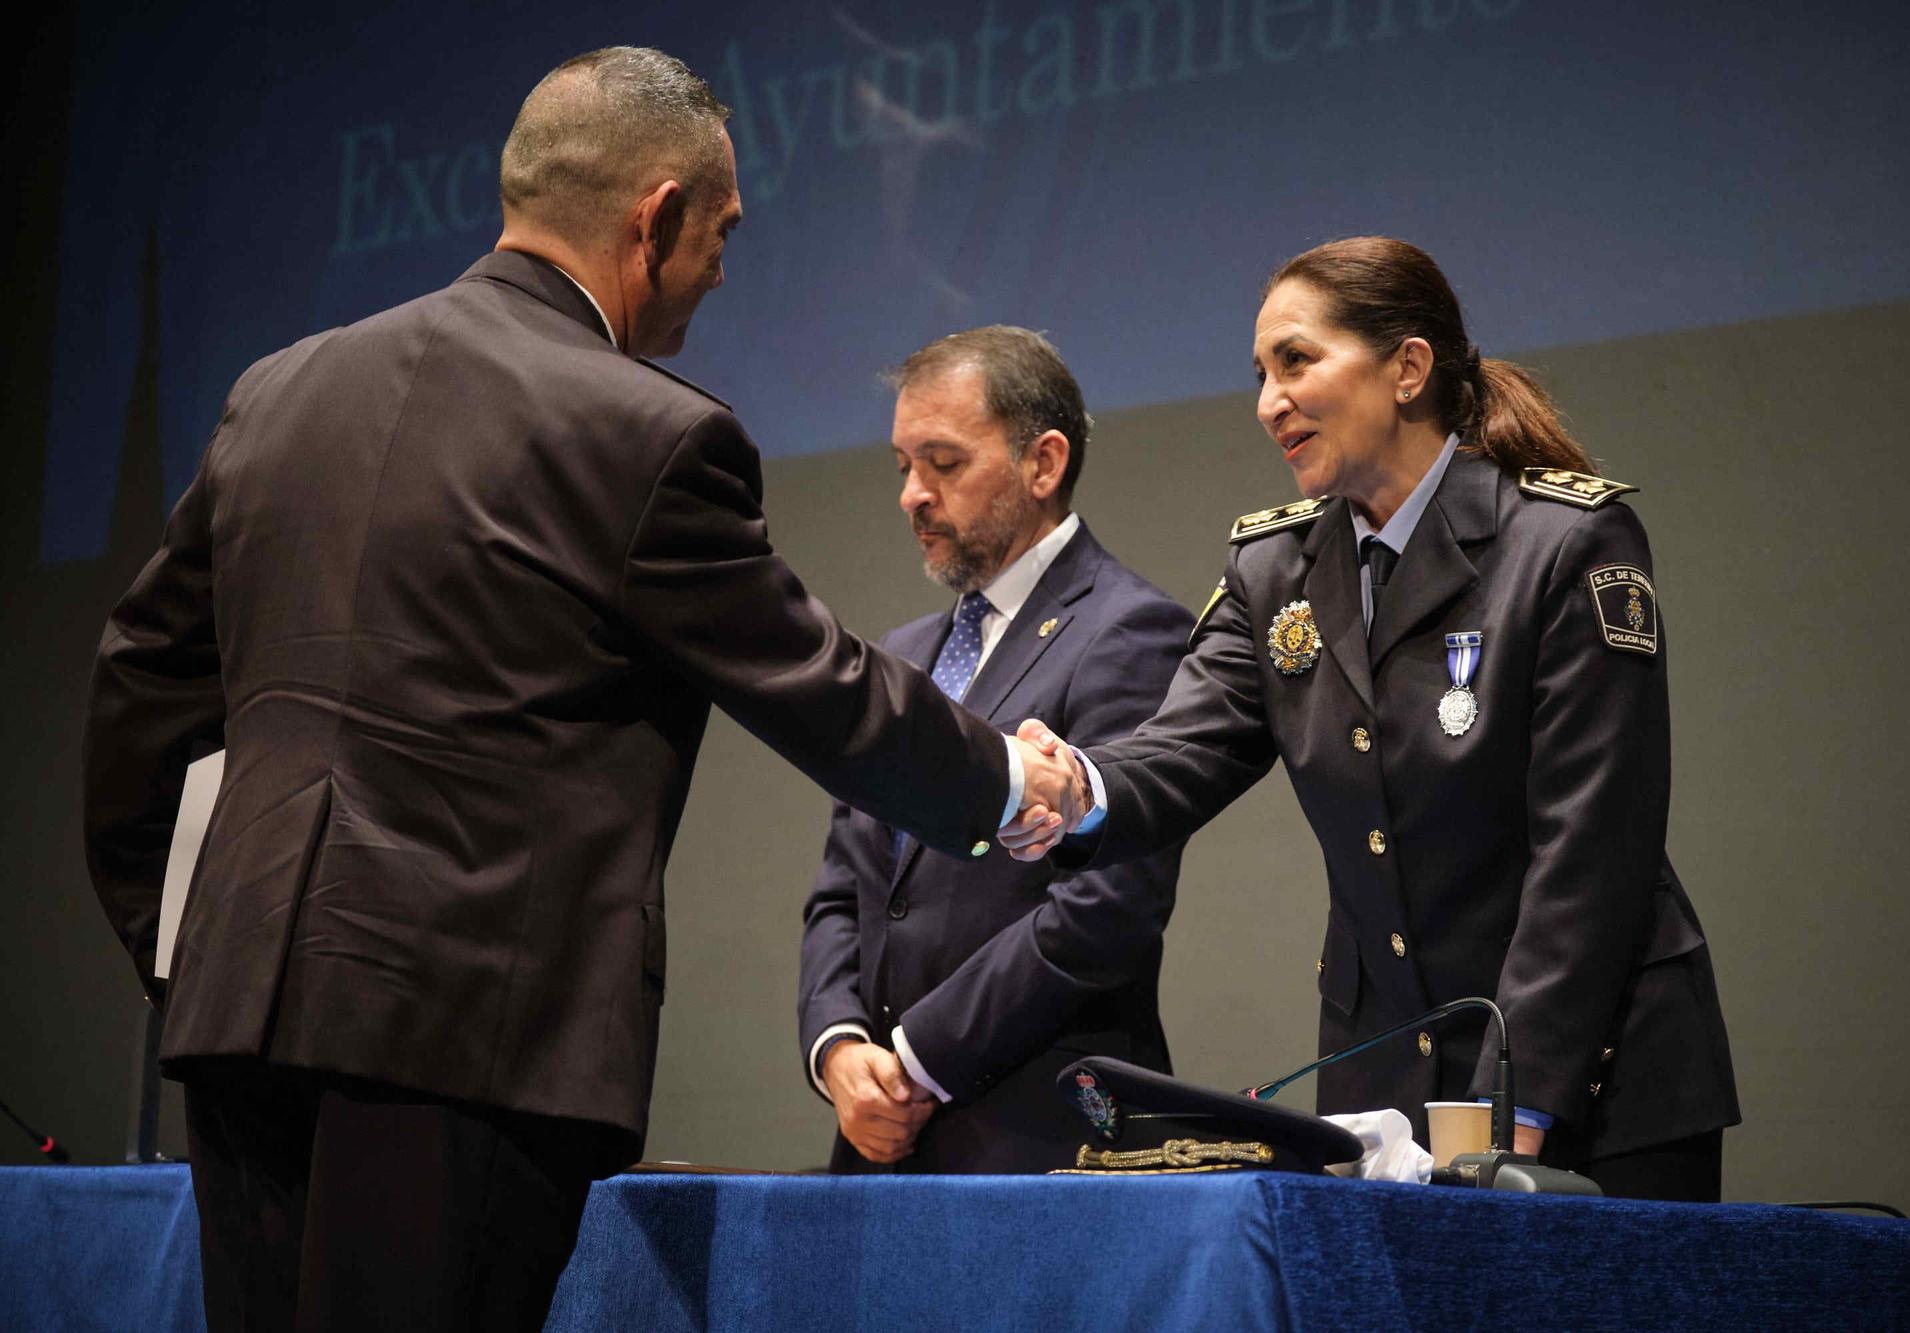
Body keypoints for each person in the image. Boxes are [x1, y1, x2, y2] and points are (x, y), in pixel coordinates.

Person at [81, 47, 1084, 1332]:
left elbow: (139, 695)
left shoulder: (276, 391)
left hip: (240, 1028)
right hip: (459, 1041)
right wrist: (1005, 778)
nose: (722, 271)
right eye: (719, 234)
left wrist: (191, 951)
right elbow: (817, 685)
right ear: (654, 217)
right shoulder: (643, 432)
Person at [1005, 237, 1739, 1201]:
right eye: (1260, 374)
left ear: (1408, 367)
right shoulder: (1275, 571)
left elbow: (1592, 856)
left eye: (1296, 362)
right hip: (1386, 1090)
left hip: (1592, 1079)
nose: (1269, 402)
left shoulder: (1564, 543)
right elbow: (1179, 751)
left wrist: (1511, 1119)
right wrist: (1076, 785)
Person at [797, 327, 1191, 1172]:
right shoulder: (900, 655)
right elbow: (845, 890)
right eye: (902, 465)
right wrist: (839, 1050)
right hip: (881, 1146)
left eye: (941, 462)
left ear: (1043, 464)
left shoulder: (1131, 631)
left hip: (1043, 1146)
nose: (911, 494)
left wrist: (916, 1059)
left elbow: (1105, 909)